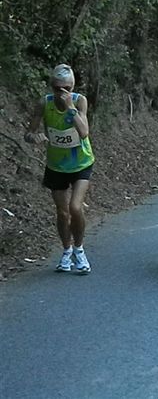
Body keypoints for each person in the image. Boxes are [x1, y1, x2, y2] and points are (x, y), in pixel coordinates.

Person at [24, 64, 94, 273]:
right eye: (57, 88)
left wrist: (70, 107)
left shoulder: (79, 100)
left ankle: (79, 251)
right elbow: (29, 132)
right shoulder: (44, 104)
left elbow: (83, 133)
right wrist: (34, 137)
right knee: (63, 213)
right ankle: (66, 251)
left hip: (81, 162)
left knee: (75, 207)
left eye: (67, 88)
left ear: (72, 87)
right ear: (51, 87)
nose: (62, 93)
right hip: (56, 165)